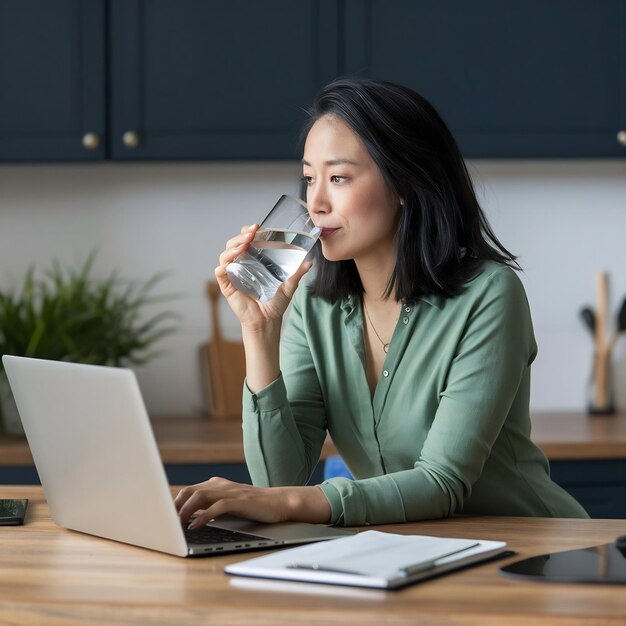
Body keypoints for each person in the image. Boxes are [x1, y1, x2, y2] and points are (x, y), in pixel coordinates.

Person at [175, 78, 588, 528]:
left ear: (403, 183)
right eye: (310, 178)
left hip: (530, 552)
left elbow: (442, 481)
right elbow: (279, 478)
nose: (315, 202)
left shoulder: (489, 295)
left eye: (338, 178)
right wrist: (258, 332)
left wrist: (294, 503)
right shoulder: (313, 305)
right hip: (411, 554)